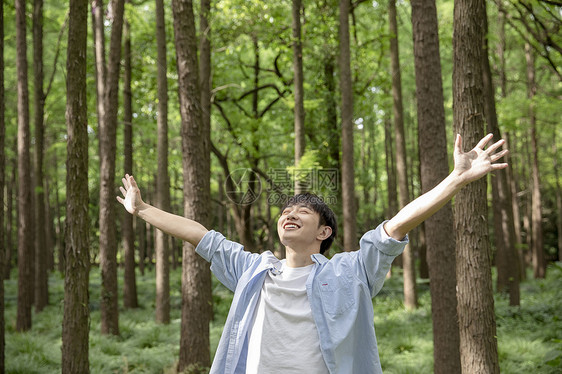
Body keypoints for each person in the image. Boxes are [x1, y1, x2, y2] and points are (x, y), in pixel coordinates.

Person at [117, 133, 508, 374]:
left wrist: (455, 180)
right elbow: (201, 236)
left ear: (324, 232)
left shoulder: (350, 273)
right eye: (286, 210)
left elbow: (398, 225)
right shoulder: (254, 271)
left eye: (302, 211)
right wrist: (142, 209)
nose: (290, 213)